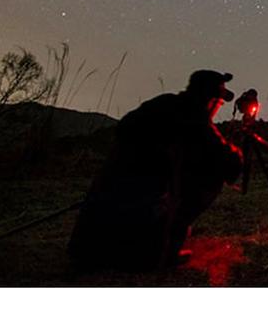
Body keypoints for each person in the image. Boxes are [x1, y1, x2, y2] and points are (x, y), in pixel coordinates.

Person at [68, 70, 243, 271]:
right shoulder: (194, 119)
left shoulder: (162, 104)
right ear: (210, 100)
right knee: (211, 177)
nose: (217, 108)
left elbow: (125, 127)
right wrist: (237, 148)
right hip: (135, 230)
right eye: (218, 102)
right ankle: (162, 250)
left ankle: (130, 244)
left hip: (85, 244)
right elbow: (230, 166)